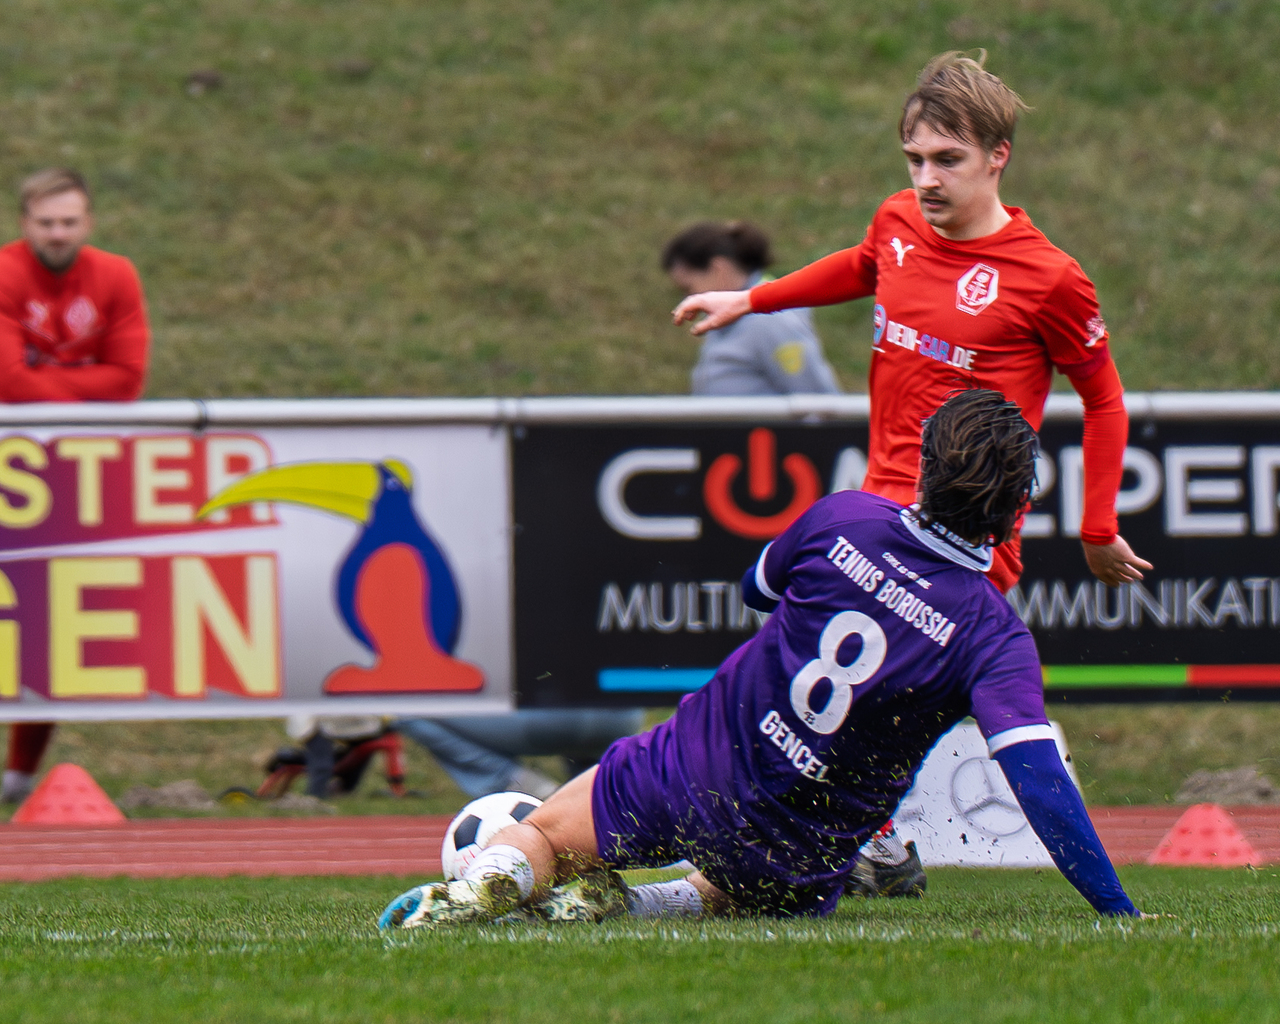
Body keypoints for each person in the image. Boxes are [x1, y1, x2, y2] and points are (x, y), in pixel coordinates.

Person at [380, 390, 1142, 929]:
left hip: (692, 770)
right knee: (734, 892)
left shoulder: (845, 517)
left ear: (922, 468)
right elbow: (1039, 783)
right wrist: (1116, 908)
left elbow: (756, 589)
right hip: (799, 847)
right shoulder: (995, 637)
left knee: (545, 833)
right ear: (1019, 510)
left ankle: (485, 884)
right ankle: (629, 905)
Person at [671, 52, 1151, 595]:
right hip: (878, 509)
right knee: (802, 632)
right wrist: (752, 301)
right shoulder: (898, 218)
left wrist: (1097, 528)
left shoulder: (1050, 278)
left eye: (948, 160)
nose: (927, 180)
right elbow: (863, 265)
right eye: (915, 160)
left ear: (998, 155)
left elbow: (1104, 401)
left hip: (966, 538)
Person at [0, 168, 151, 803]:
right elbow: (8, 381)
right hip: (10, 465)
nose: (57, 233)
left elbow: (128, 380)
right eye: (46, 223)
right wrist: (82, 383)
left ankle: (18, 774)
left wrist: (40, 380)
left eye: (68, 222)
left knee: (51, 619)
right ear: (24, 224)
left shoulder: (115, 275)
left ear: (87, 223)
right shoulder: (5, 273)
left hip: (75, 475)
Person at [662, 221, 840, 396]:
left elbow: (816, 398)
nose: (687, 299)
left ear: (718, 270)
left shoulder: (771, 321)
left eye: (688, 288)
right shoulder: (730, 321)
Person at [394, 710, 646, 801]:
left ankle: (520, 785)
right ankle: (611, 792)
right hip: (623, 717)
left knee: (404, 706)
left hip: (548, 719)